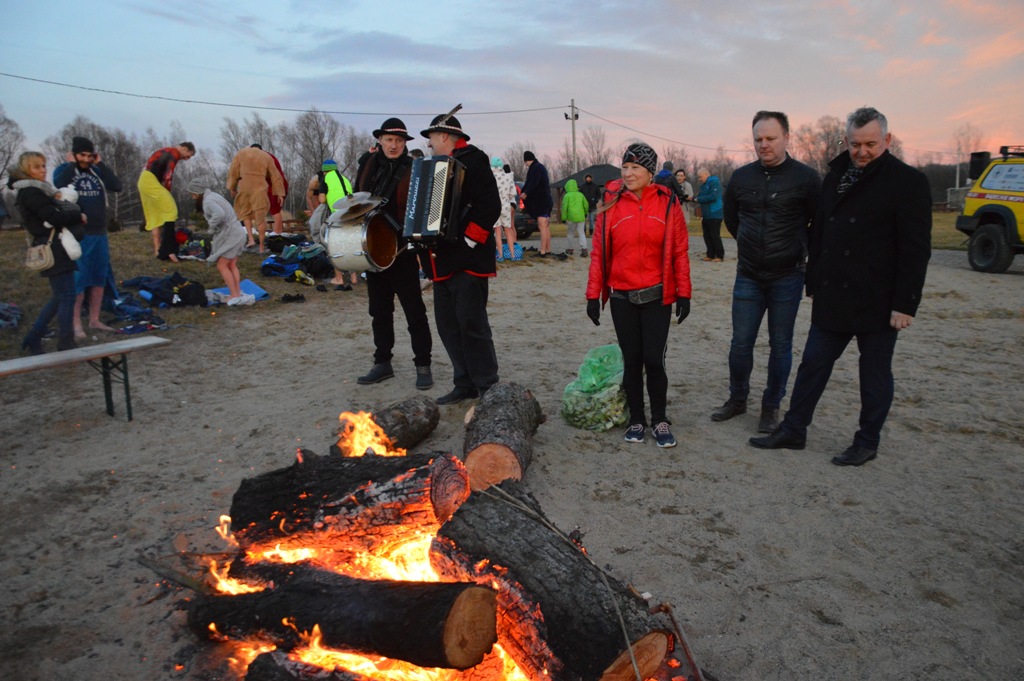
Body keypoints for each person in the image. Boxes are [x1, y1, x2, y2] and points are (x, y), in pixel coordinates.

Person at [750, 107, 931, 467]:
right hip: (834, 293)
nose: (862, 151)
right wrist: (814, 278)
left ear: (886, 140)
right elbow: (820, 232)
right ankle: (794, 429)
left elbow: (916, 249)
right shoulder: (835, 175)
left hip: (879, 299)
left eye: (870, 144)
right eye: (855, 144)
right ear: (846, 141)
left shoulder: (907, 181)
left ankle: (867, 441)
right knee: (813, 364)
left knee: (874, 374)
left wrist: (905, 303)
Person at [712, 111, 821, 433]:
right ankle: (737, 399)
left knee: (781, 344)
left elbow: (819, 224)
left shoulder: (806, 178)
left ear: (787, 138)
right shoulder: (741, 177)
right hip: (748, 275)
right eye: (758, 139)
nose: (764, 144)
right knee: (740, 343)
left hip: (788, 275)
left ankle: (771, 407)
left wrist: (797, 250)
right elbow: (732, 219)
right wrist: (750, 245)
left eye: (771, 138)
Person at [585, 142, 692, 447]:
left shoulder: (668, 203)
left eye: (635, 168)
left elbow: (680, 251)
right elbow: (598, 254)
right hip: (622, 296)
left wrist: (684, 293)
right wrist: (593, 295)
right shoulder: (611, 203)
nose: (628, 173)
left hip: (657, 296)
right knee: (632, 360)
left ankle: (659, 420)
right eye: (625, 167)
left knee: (654, 360)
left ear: (650, 172)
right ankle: (636, 419)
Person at [417, 113, 501, 404]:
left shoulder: (474, 159)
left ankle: (487, 384)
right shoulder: (431, 167)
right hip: (442, 262)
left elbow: (490, 205)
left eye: (431, 138)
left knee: (472, 324)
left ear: (443, 136)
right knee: (448, 326)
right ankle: (464, 383)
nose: (429, 144)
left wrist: (468, 241)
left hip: (469, 260)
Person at [352, 117, 434, 390]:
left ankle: (423, 365)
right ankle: (382, 362)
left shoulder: (414, 168)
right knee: (379, 311)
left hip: (402, 250)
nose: (394, 145)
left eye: (399, 141)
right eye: (389, 140)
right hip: (373, 249)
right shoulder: (368, 165)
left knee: (414, 311)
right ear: (380, 140)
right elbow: (356, 198)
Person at [8, 151, 86, 354]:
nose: (43, 170)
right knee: (67, 296)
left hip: (55, 244)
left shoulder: (38, 190)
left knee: (61, 296)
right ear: (26, 170)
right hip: (53, 246)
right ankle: (65, 341)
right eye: (36, 167)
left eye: (43, 165)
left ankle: (34, 337)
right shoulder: (32, 192)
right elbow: (53, 217)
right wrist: (77, 215)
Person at [53, 136, 123, 339]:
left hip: (99, 232)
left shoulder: (96, 171)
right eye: (82, 155)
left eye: (89, 155)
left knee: (99, 278)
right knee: (79, 280)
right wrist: (71, 164)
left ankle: (94, 319)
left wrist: (100, 163)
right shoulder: (65, 170)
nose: (86, 159)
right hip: (78, 234)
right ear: (74, 154)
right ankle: (75, 323)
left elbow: (116, 186)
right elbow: (59, 183)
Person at [186, 178, 251, 306]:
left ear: (197, 193)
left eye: (192, 194)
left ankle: (234, 295)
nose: (192, 197)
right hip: (237, 231)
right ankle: (237, 293)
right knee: (231, 264)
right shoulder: (214, 196)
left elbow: (219, 214)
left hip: (232, 234)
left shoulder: (208, 202)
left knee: (222, 265)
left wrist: (211, 226)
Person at [138, 141, 195, 262]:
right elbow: (168, 175)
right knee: (171, 210)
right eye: (188, 156)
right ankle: (169, 250)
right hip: (151, 180)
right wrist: (167, 191)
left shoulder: (165, 151)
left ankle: (157, 250)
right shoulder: (174, 152)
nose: (186, 159)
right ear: (185, 149)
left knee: (155, 216)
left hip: (143, 180)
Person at [227, 144, 286, 254]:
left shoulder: (241, 154)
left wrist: (232, 187)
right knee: (260, 217)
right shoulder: (266, 156)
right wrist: (280, 193)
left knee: (245, 214)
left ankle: (251, 239)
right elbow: (276, 176)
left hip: (244, 187)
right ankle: (261, 247)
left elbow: (233, 172)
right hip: (260, 188)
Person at [317, 159, 356, 289]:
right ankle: (353, 277)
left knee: (335, 246)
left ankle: (339, 278)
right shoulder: (344, 179)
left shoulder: (326, 179)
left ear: (324, 171)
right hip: (351, 214)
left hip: (337, 215)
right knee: (350, 245)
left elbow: (322, 199)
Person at [521, 150, 553, 255]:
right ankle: (548, 249)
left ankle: (542, 251)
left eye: (525, 162)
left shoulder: (536, 168)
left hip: (542, 202)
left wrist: (525, 193)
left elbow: (533, 182)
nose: (525, 165)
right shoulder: (539, 167)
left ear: (527, 160)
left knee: (542, 226)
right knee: (546, 226)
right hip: (546, 200)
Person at [491, 156, 517, 261]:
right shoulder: (508, 177)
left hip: (495, 205)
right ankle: (512, 255)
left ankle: (500, 255)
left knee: (497, 231)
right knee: (508, 230)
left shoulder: (491, 177)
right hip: (506, 205)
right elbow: (513, 193)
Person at [695, 167, 724, 262]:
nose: (699, 179)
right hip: (706, 214)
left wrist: (698, 199)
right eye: (699, 177)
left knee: (714, 235)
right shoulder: (703, 186)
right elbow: (700, 196)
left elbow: (713, 197)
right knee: (706, 235)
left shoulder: (715, 183)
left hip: (715, 213)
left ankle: (719, 255)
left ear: (706, 175)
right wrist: (693, 198)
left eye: (700, 177)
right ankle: (710, 254)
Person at [263, 147, 289, 236]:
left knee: (275, 209)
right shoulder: (267, 157)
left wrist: (280, 192)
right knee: (272, 209)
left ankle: (277, 232)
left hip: (276, 186)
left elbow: (276, 176)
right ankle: (278, 231)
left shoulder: (267, 158)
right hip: (273, 185)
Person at [560, 178, 589, 257]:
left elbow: (564, 208)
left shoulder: (567, 196)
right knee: (581, 233)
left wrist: (563, 218)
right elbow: (586, 205)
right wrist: (585, 213)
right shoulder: (580, 194)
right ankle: (584, 249)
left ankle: (570, 249)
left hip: (571, 218)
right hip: (581, 217)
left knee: (570, 233)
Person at [580, 173, 601, 237]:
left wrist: (596, 200)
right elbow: (580, 195)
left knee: (591, 220)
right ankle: (584, 232)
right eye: (587, 178)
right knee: (583, 220)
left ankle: (591, 232)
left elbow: (599, 194)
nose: (588, 179)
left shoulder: (595, 186)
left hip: (592, 205)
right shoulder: (582, 186)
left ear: (591, 179)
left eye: (589, 178)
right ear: (585, 179)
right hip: (583, 206)